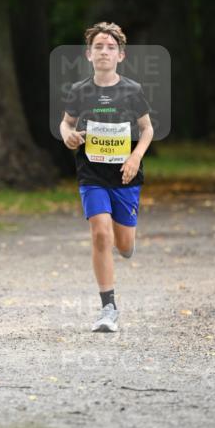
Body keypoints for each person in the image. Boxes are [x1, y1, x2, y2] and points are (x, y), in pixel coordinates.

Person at [60, 21, 154, 333]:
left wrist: (135, 156)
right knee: (101, 235)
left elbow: (147, 128)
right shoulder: (79, 91)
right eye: (98, 47)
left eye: (110, 47)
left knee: (123, 244)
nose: (104, 52)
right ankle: (108, 307)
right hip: (91, 174)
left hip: (125, 175)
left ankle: (128, 242)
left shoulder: (132, 90)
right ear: (88, 54)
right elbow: (66, 123)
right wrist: (69, 136)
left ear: (120, 55)